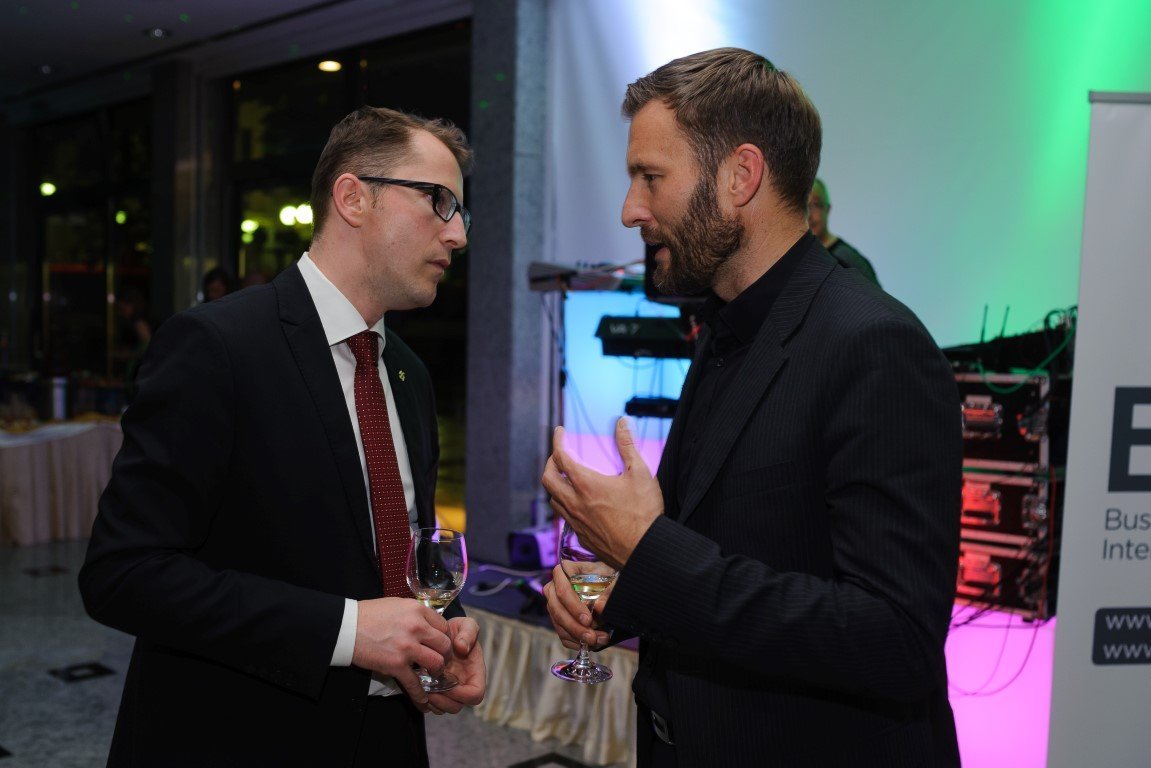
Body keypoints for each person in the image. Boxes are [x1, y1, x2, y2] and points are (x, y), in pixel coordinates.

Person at [541, 48, 961, 767]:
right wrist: (623, 596)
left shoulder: (873, 344)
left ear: (741, 176)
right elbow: (739, 553)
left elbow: (895, 640)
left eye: (650, 177)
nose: (629, 209)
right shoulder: (726, 327)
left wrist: (647, 552)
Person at [79, 106, 485, 767]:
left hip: (389, 738)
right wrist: (349, 630)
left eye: (461, 211)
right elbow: (123, 574)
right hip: (239, 738)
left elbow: (398, 541)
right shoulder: (217, 346)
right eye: (439, 202)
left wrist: (443, 625)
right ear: (353, 197)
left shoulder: (406, 372)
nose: (458, 234)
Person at [807, 177, 880, 286]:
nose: (808, 214)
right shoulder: (802, 256)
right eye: (803, 206)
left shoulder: (848, 259)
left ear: (828, 209)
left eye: (815, 204)